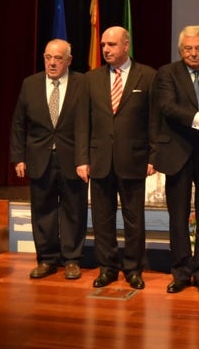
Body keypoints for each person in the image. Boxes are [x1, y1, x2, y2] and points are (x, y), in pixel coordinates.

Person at [75, 26, 157, 290]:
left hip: (133, 159)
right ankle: (108, 267)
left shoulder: (148, 76)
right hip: (99, 161)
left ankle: (133, 269)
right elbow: (82, 123)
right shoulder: (91, 79)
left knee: (135, 219)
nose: (106, 49)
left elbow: (154, 121)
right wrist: (81, 159)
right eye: (103, 45)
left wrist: (153, 155)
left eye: (111, 44)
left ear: (126, 45)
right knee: (102, 218)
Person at [153, 25, 199, 295]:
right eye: (187, 48)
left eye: (198, 49)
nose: (193, 53)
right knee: (178, 217)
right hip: (177, 154)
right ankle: (181, 272)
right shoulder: (167, 74)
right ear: (180, 50)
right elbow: (168, 107)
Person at [10, 39, 87, 281]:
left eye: (58, 58)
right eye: (48, 58)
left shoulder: (82, 83)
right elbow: (19, 124)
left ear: (69, 61)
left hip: (72, 157)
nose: (52, 63)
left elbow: (89, 124)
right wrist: (18, 157)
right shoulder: (30, 84)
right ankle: (46, 259)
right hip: (39, 157)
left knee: (74, 209)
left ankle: (72, 259)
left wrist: (86, 158)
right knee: (42, 209)